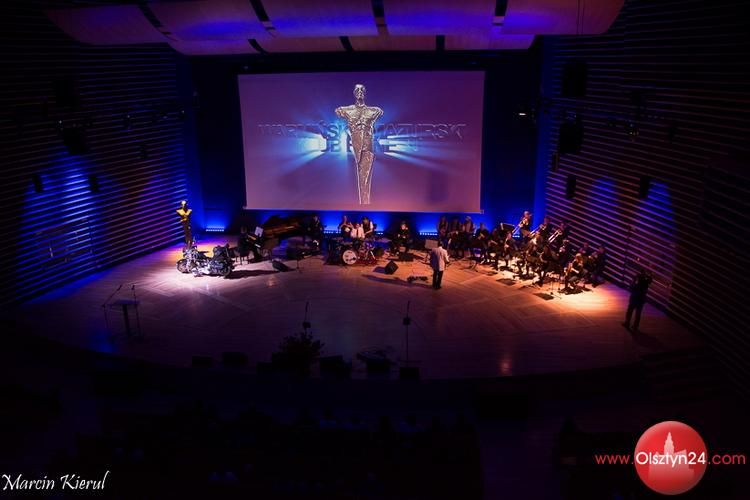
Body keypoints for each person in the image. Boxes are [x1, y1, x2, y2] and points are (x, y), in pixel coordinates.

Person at [335, 84, 383, 205]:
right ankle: (361, 205)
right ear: (354, 93)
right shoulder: (347, 110)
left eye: (362, 90)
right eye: (357, 89)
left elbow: (380, 112)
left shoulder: (374, 111)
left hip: (367, 145)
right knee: (354, 177)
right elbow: (338, 111)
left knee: (364, 179)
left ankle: (365, 205)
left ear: (365, 93)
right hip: (354, 146)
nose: (360, 91)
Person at [622, 268, 653, 332]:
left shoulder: (636, 284)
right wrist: (648, 275)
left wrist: (633, 280)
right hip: (641, 300)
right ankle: (635, 326)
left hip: (634, 298)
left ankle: (627, 323)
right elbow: (650, 280)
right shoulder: (646, 283)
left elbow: (631, 288)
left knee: (630, 311)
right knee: (638, 314)